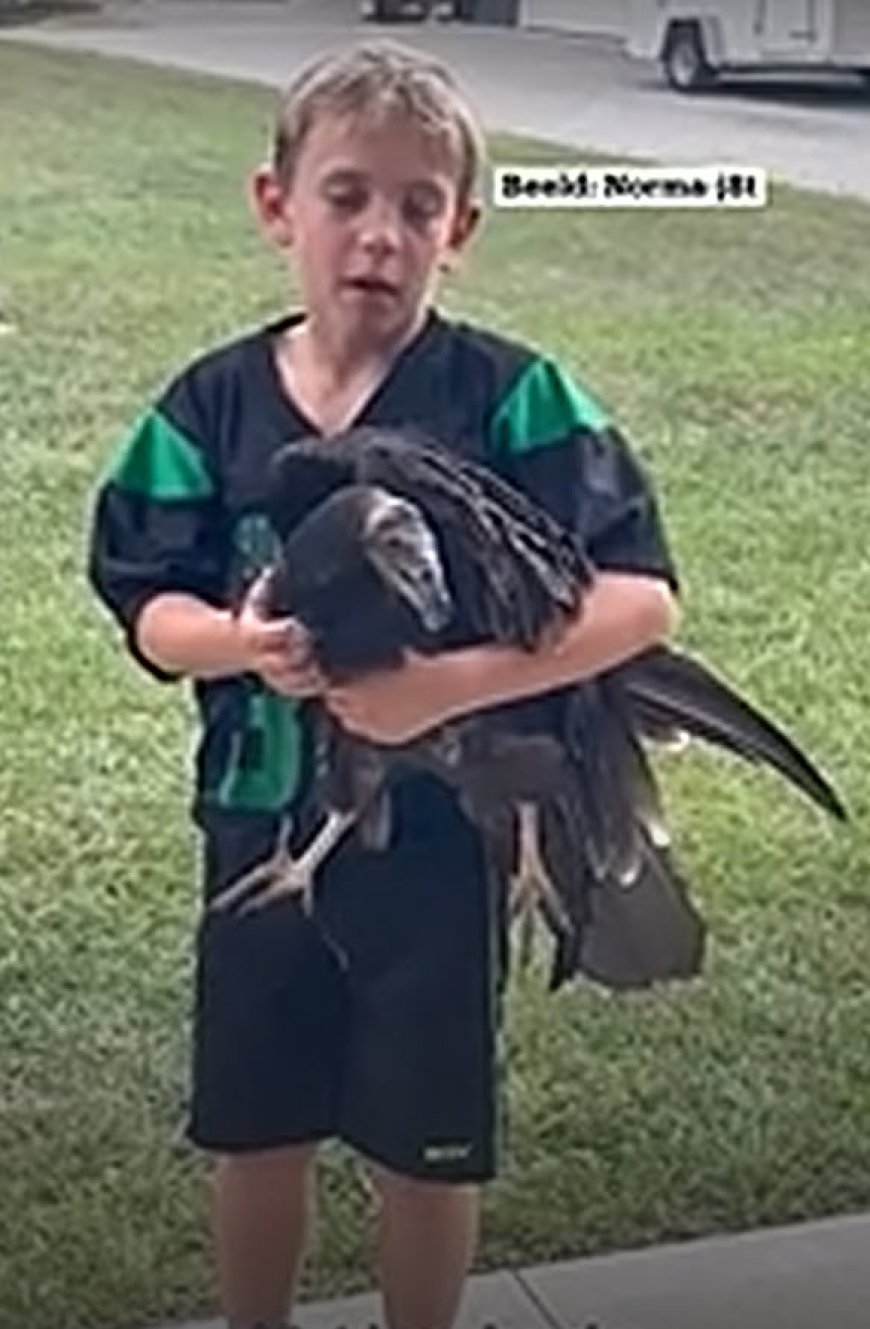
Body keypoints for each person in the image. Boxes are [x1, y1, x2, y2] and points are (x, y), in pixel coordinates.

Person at [88, 40, 679, 1329]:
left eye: (419, 206)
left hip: (442, 843)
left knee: (425, 1144)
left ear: (459, 228)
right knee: (256, 1127)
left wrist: (448, 688)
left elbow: (642, 599)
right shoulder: (209, 409)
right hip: (258, 822)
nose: (380, 235)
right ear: (276, 205)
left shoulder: (516, 400)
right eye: (347, 195)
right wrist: (242, 645)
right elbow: (148, 604)